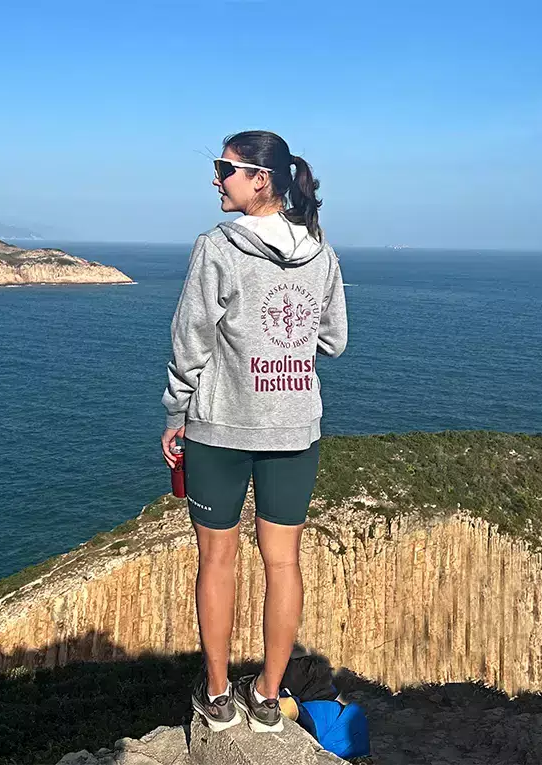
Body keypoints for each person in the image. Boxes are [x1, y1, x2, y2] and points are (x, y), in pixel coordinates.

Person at [161, 131, 347, 734]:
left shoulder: (217, 247)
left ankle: (217, 695)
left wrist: (174, 412)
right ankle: (268, 697)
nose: (216, 180)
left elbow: (191, 340)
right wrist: (285, 348)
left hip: (219, 426)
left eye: (224, 169)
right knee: (283, 563)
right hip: (294, 426)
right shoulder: (320, 252)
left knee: (217, 560)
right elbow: (334, 339)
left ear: (259, 179)